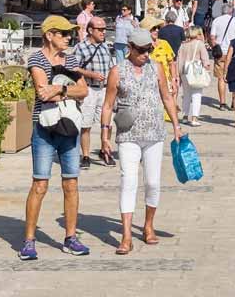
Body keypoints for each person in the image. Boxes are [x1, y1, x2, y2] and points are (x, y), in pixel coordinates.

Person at [99, 28, 181, 255]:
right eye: (142, 50)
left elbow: (166, 96)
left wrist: (176, 125)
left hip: (154, 132)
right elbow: (107, 104)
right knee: (129, 181)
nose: (147, 54)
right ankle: (126, 235)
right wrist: (104, 135)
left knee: (153, 182)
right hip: (128, 134)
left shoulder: (155, 68)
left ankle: (148, 225)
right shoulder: (118, 71)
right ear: (130, 48)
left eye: (149, 50)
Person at [20, 15, 90, 261]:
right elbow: (42, 94)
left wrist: (60, 89)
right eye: (63, 33)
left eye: (69, 33)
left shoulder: (70, 59)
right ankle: (29, 240)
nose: (68, 37)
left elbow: (84, 90)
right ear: (49, 35)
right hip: (44, 129)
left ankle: (70, 237)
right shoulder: (36, 59)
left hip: (69, 128)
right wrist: (68, 92)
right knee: (40, 184)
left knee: (71, 183)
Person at [73, 17, 116, 170]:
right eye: (100, 29)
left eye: (105, 29)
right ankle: (85, 156)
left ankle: (105, 151)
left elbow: (112, 66)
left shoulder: (105, 47)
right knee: (86, 124)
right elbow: (73, 68)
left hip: (104, 89)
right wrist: (90, 74)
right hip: (89, 89)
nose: (104, 32)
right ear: (90, 30)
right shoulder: (81, 47)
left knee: (108, 124)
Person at [177, 26, 212, 126]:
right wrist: (207, 69)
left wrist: (178, 74)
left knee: (186, 95)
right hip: (195, 72)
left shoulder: (183, 45)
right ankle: (194, 118)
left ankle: (185, 116)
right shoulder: (200, 44)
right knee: (196, 95)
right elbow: (205, 60)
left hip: (184, 72)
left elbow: (179, 60)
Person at [209, 3, 235, 111]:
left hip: (221, 52)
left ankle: (222, 103)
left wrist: (215, 47)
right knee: (234, 78)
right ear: (231, 11)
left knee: (221, 78)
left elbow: (212, 37)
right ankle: (234, 102)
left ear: (222, 11)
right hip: (234, 52)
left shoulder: (216, 21)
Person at [141, 17, 179, 100]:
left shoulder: (164, 43)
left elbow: (171, 63)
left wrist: (173, 80)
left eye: (158, 28)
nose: (157, 30)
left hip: (165, 83)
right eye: (154, 28)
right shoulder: (140, 47)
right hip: (147, 85)